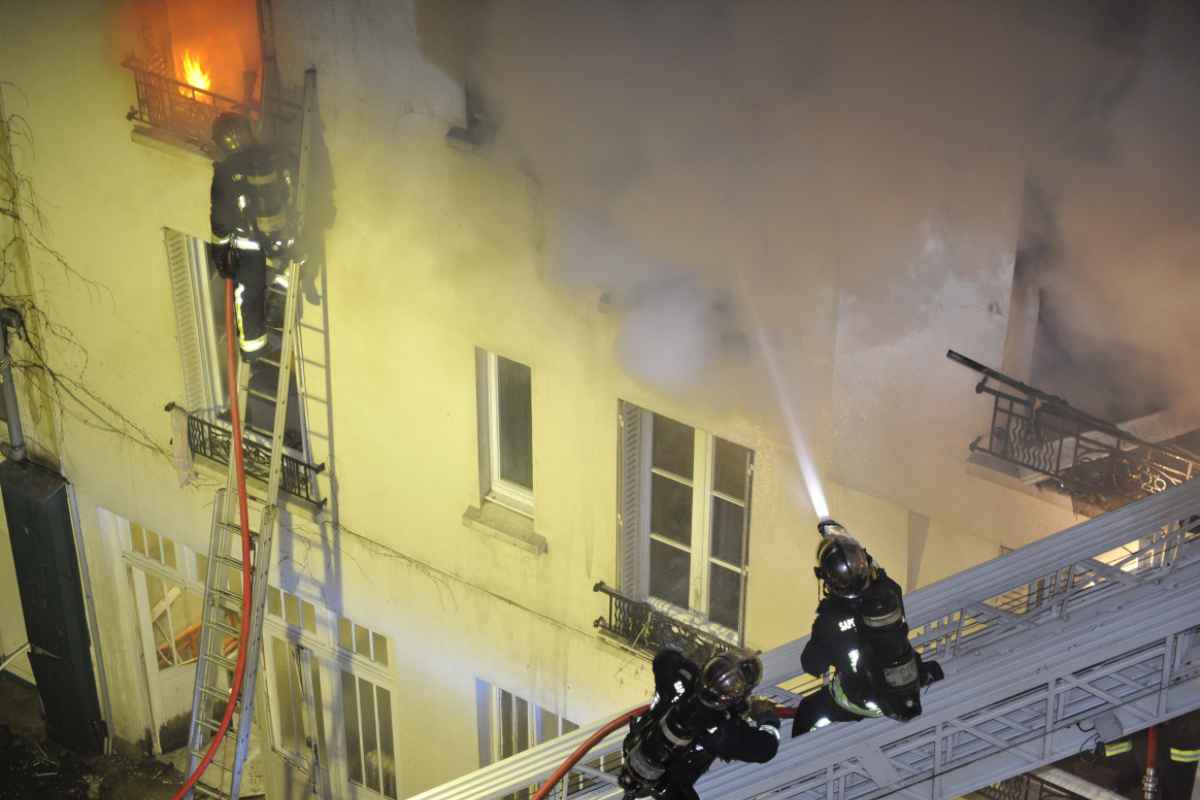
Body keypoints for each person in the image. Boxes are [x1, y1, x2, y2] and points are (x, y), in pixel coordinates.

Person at [791, 520, 943, 737]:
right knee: (935, 667)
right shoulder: (889, 592)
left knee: (808, 710)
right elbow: (880, 574)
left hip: (860, 699)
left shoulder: (829, 619)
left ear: (826, 578)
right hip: (907, 684)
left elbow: (812, 665)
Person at [619, 646, 781, 800]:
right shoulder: (724, 731)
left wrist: (693, 662)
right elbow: (766, 748)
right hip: (669, 785)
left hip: (634, 744)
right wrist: (767, 717)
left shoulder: (678, 675)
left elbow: (665, 657)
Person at [209, 112, 297, 362]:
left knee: (246, 297)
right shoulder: (272, 158)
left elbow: (220, 217)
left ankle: (254, 351)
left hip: (249, 247)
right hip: (283, 241)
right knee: (280, 276)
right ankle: (279, 298)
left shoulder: (226, 172)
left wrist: (220, 253)